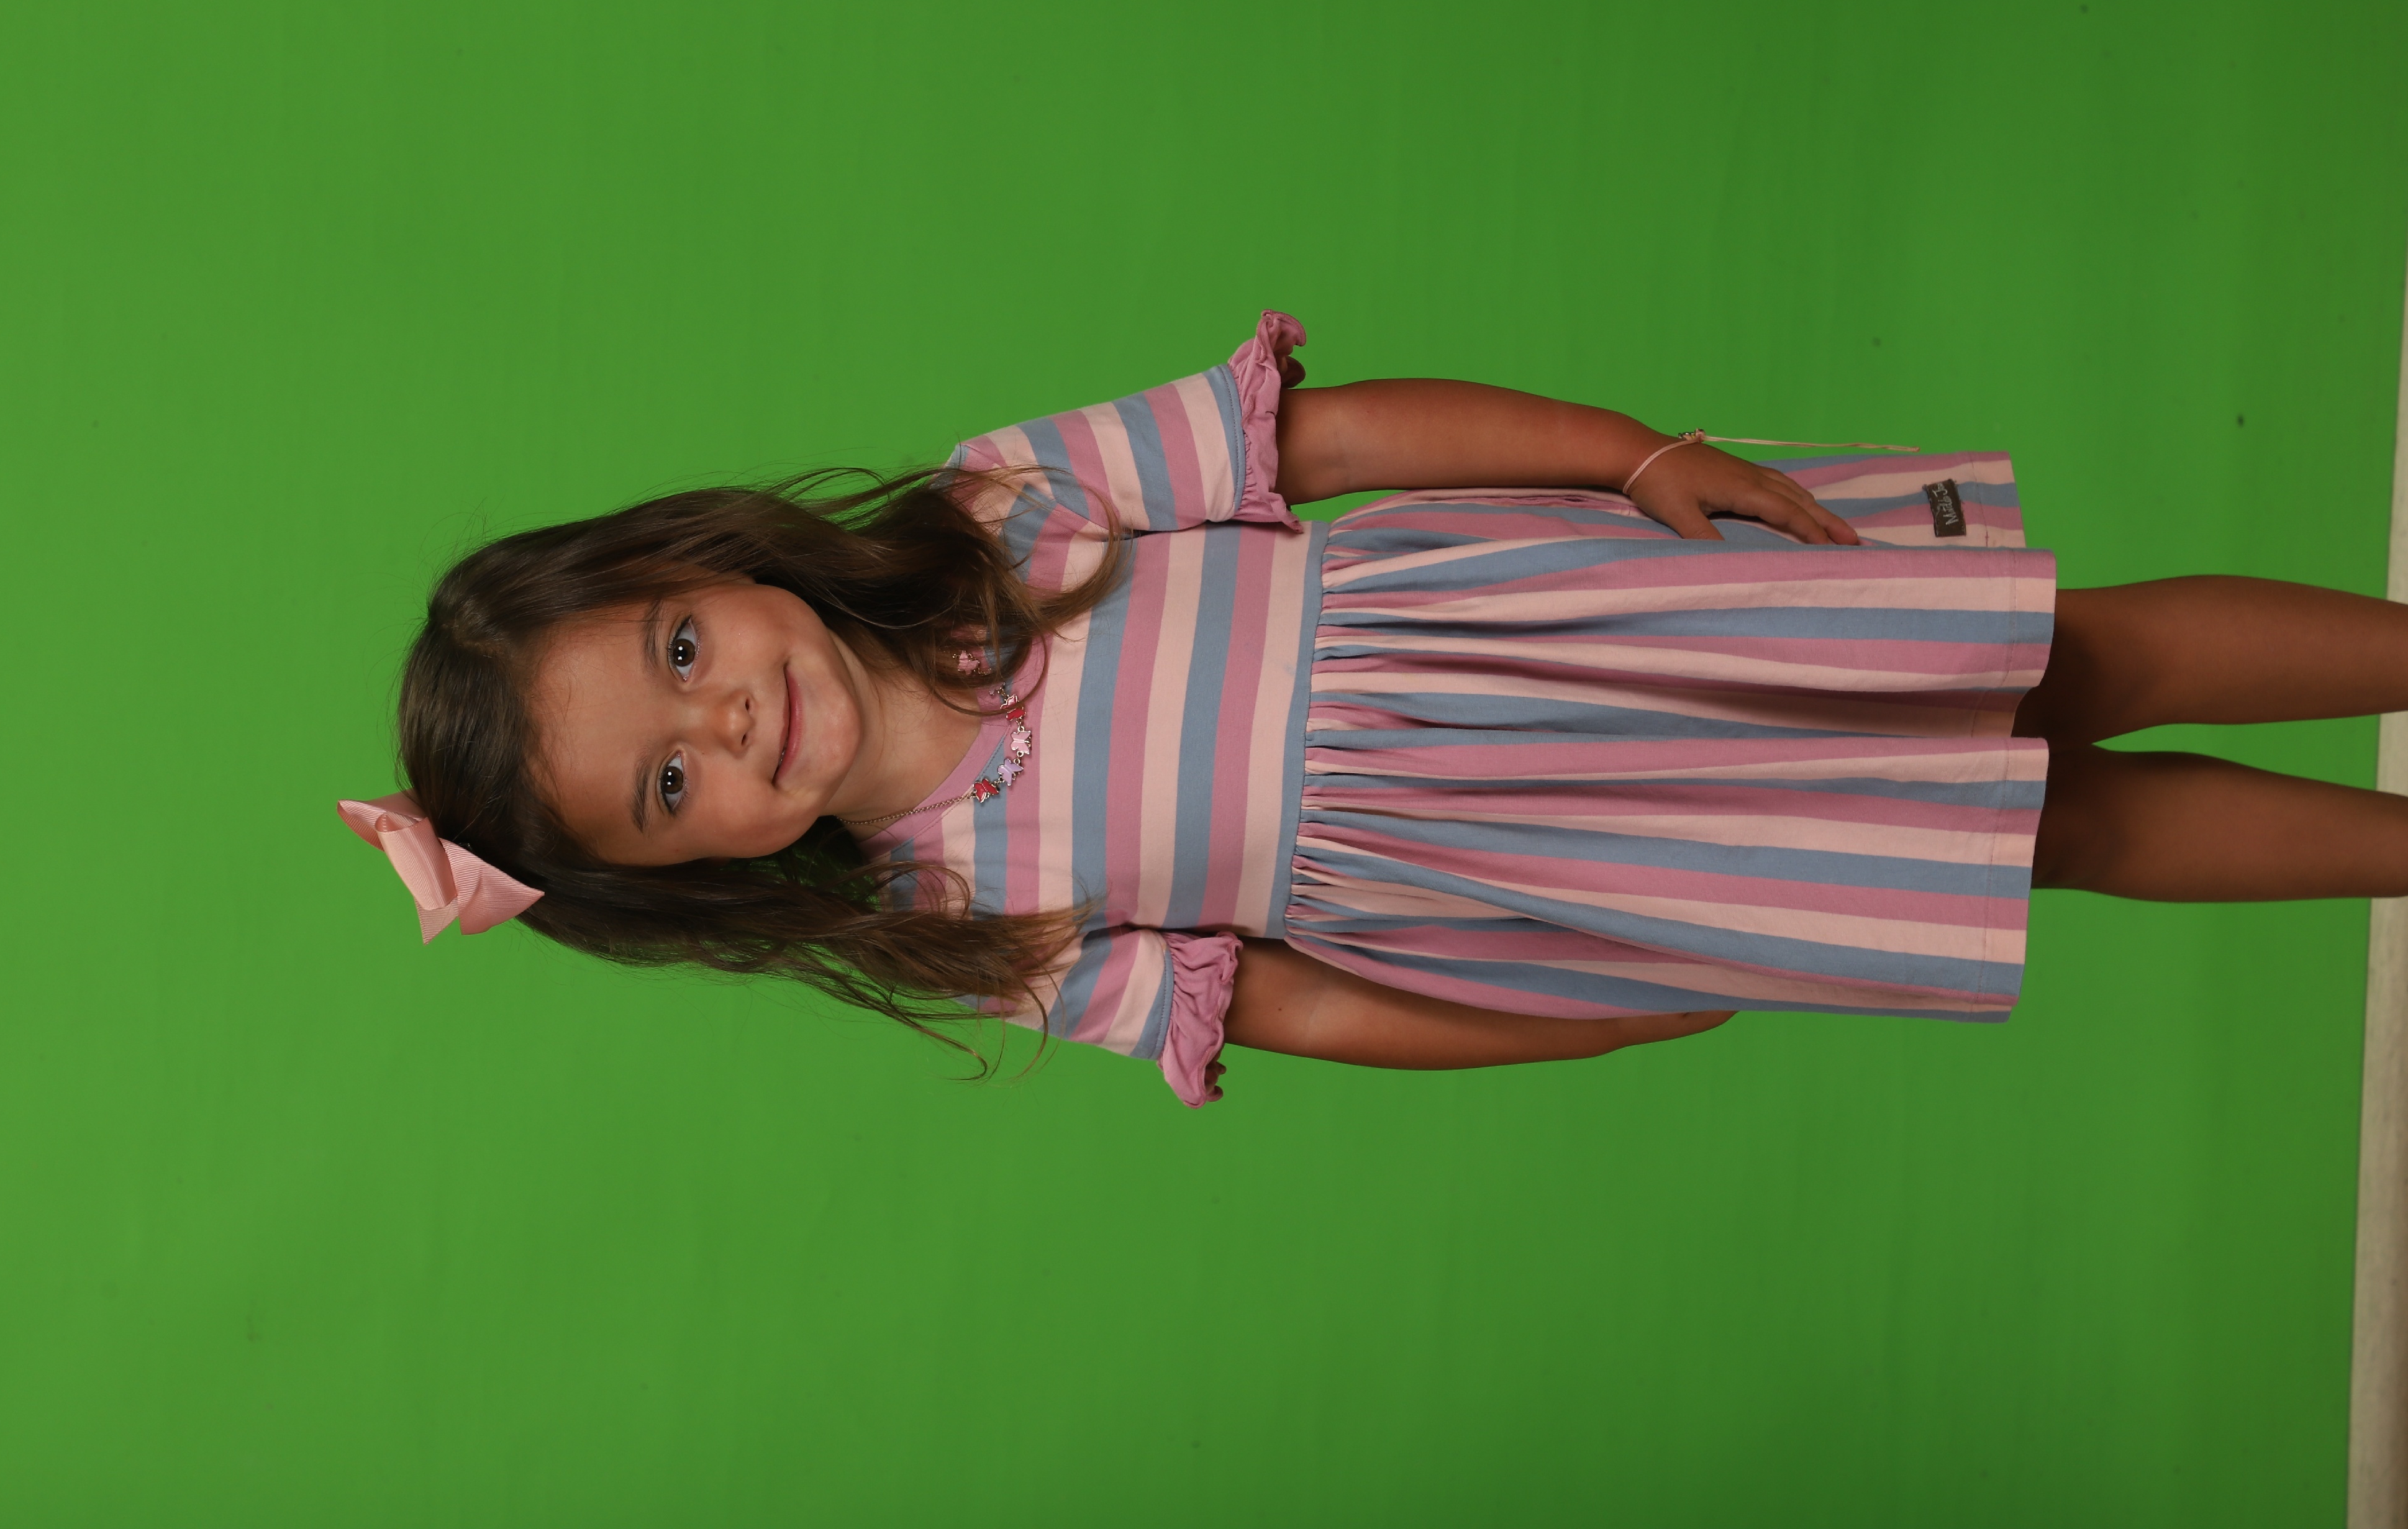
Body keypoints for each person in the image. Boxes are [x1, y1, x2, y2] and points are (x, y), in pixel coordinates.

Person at [340, 313, 2408, 1105]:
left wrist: (1629, 455)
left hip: (1591, 630)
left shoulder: (1002, 510)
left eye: (678, 656)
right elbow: (1298, 1007)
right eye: (668, 786)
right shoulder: (960, 915)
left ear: (695, 562)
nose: (729, 724)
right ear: (694, 875)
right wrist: (1564, 1021)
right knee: (2052, 836)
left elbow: (1321, 444)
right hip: (1568, 859)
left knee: (2079, 653)